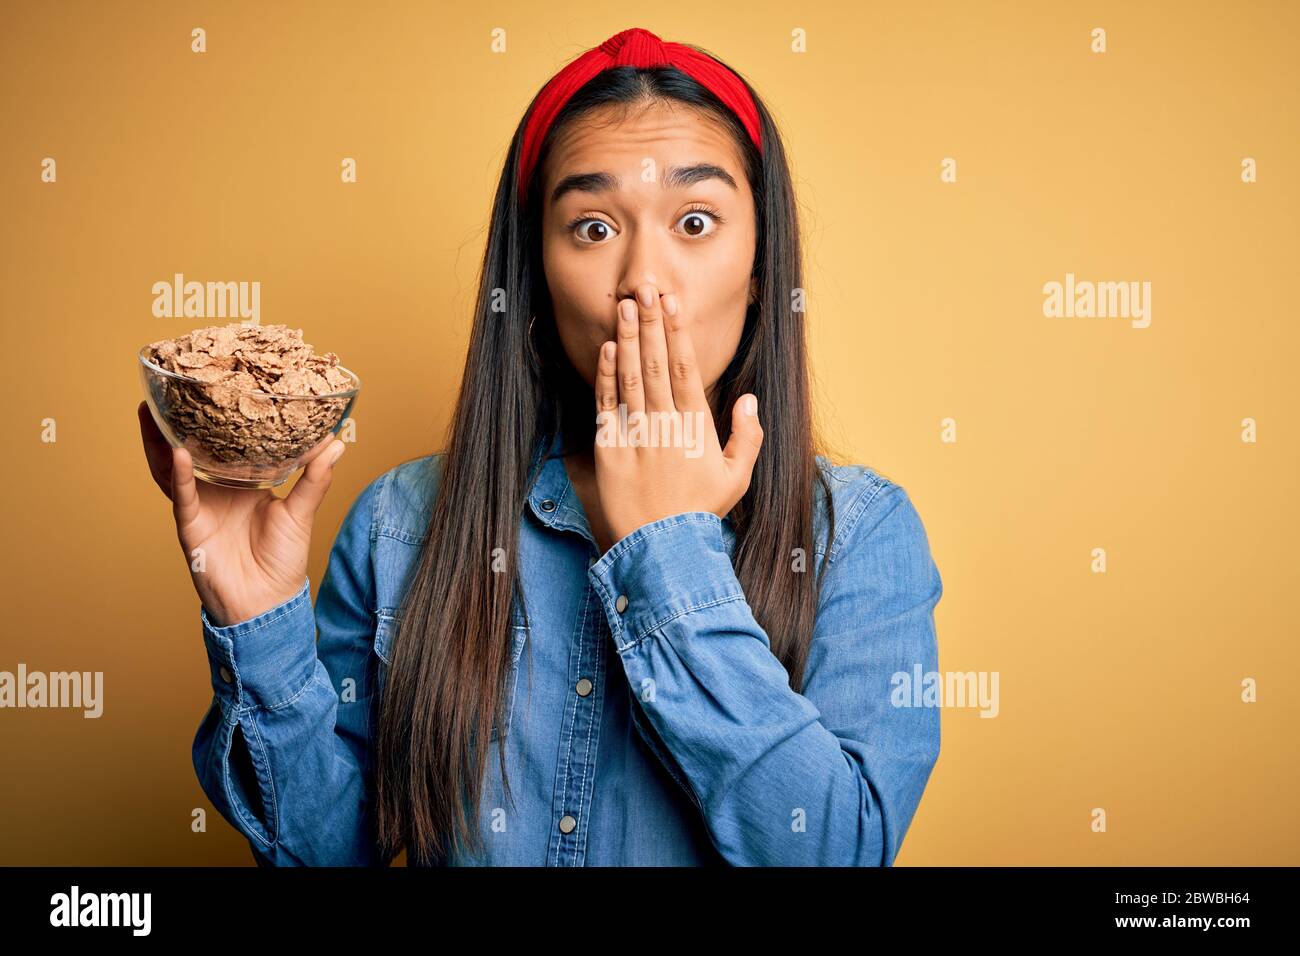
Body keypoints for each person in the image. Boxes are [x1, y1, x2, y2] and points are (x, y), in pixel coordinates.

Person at [138, 26, 942, 867]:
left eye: (695, 221)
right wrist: (257, 622)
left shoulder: (860, 535)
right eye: (592, 229)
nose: (644, 279)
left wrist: (666, 553)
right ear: (533, 277)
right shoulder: (398, 526)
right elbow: (330, 854)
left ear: (761, 267)